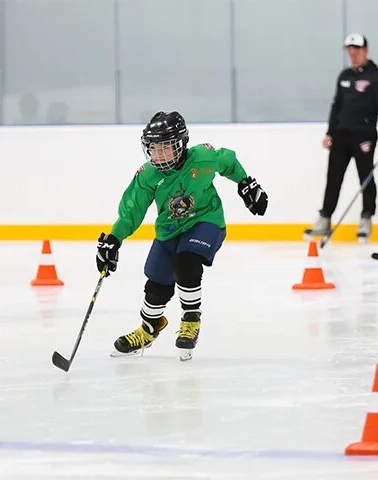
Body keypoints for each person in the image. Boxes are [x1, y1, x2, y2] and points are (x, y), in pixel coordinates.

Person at [96, 111, 269, 361]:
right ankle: (148, 329)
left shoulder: (202, 157)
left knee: (186, 262)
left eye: (164, 147)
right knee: (156, 284)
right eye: (153, 148)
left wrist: (246, 183)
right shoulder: (148, 175)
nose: (158, 154)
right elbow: (131, 211)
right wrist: (114, 238)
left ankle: (190, 319)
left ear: (180, 144)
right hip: (169, 229)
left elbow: (227, 161)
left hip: (206, 220)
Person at [307, 33, 378, 243]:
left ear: (365, 51)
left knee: (365, 177)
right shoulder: (344, 76)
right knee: (333, 177)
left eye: (356, 51)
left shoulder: (377, 77)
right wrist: (329, 132)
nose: (353, 56)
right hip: (341, 136)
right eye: (350, 52)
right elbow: (336, 106)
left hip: (364, 137)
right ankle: (325, 218)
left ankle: (366, 218)